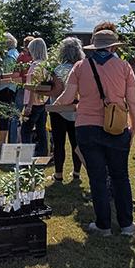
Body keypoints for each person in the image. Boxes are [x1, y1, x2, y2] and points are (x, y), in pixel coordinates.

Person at [51, 27, 135, 237]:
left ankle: (103, 225)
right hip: (117, 126)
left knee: (97, 178)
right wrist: (134, 126)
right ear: (113, 47)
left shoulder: (80, 67)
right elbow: (133, 102)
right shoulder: (124, 67)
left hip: (86, 127)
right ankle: (127, 224)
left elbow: (68, 96)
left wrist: (54, 104)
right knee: (121, 176)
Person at [48, 37, 84, 182]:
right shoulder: (82, 68)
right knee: (76, 143)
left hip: (59, 110)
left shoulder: (58, 69)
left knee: (59, 143)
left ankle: (58, 174)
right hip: (76, 109)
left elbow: (57, 92)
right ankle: (76, 172)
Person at [21, 37, 50, 157]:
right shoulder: (46, 64)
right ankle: (43, 152)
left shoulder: (35, 66)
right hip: (43, 101)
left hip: (33, 102)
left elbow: (33, 86)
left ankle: (26, 156)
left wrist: (29, 105)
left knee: (26, 130)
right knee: (41, 128)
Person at [0, 33, 21, 145]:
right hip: (13, 88)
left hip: (6, 88)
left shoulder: (9, 57)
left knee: (3, 114)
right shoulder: (16, 53)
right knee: (11, 113)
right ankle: (14, 138)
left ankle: (2, 140)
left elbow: (9, 75)